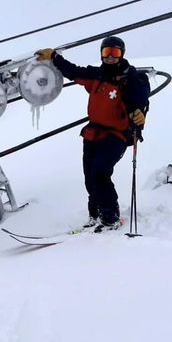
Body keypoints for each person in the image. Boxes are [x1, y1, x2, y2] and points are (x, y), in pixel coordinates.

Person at [35, 36, 150, 232]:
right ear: (101, 54)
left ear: (122, 54)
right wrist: (54, 56)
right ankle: (95, 215)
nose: (111, 57)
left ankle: (110, 217)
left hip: (117, 134)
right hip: (93, 133)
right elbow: (74, 71)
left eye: (115, 52)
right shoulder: (97, 75)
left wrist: (140, 112)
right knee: (90, 176)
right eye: (107, 52)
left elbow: (140, 97)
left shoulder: (129, 78)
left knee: (100, 172)